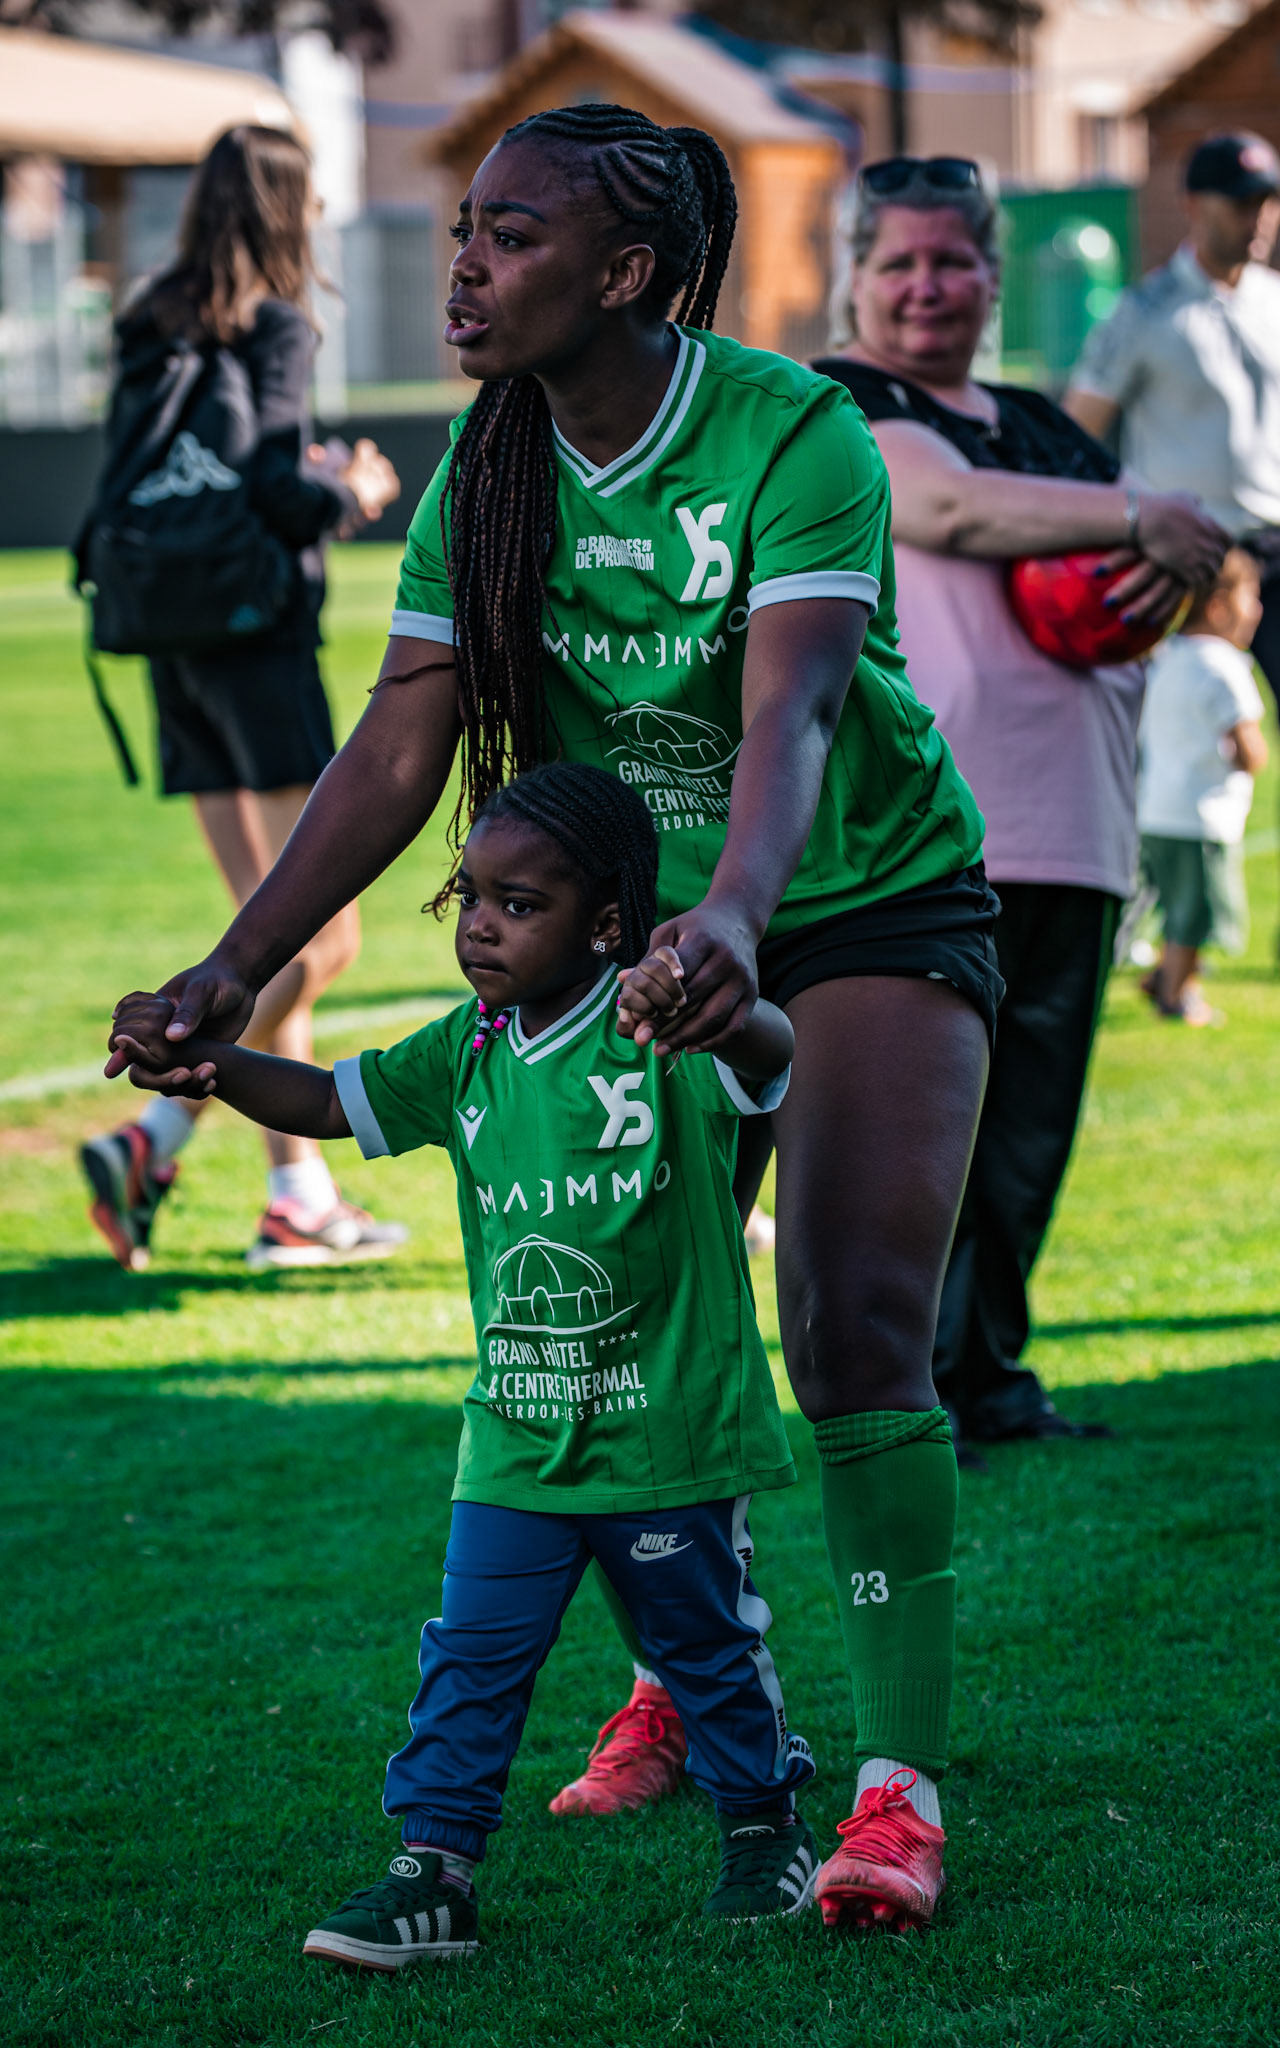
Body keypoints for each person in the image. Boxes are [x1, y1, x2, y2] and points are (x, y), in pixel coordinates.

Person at [108, 104, 1000, 1933]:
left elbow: (800, 716)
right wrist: (236, 963)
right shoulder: (489, 462)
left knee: (847, 1318)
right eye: (463, 233)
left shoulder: (791, 430)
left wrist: (739, 915)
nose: (465, 269)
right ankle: (698, 1684)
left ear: (627, 272)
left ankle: (897, 1794)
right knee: (645, 1313)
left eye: (512, 240)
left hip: (858, 896)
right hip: (656, 926)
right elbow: (401, 737)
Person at [110, 762, 829, 1961]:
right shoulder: (468, 1049)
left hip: (668, 1429)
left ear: (606, 922)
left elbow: (771, 1054)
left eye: (519, 903)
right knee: (470, 1657)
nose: (482, 925)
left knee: (706, 1646)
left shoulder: (664, 1031)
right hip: (516, 1436)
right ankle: (432, 1869)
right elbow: (333, 1102)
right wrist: (209, 1066)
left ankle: (765, 1822)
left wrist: (726, 997)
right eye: (470, 898)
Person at [809, 157, 1229, 1451]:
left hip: (1080, 827)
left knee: (1027, 1140)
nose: (928, 286)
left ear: (994, 276)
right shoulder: (839, 405)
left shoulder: (1046, 421)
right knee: (924, 1137)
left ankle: (988, 1378)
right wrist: (1148, 514)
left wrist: (1192, 571)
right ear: (857, 280)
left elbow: (1154, 579)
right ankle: (903, 1395)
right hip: (927, 839)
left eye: (952, 261)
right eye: (900, 263)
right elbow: (946, 506)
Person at [78, 124, 405, 1273]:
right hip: (256, 643)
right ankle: (154, 1125)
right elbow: (272, 483)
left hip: (169, 644)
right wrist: (351, 485)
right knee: (315, 939)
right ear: (290, 206)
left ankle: (293, 1195)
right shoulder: (277, 321)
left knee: (254, 937)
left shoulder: (151, 315)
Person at [1067, 131, 1280, 978]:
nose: (1259, 216)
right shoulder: (1143, 313)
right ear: (1194, 204)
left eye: (1270, 199)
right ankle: (1125, 924)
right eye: (1244, 200)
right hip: (1180, 559)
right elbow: (1079, 432)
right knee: (1149, 748)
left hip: (1279, 554)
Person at [1138, 548, 1268, 1025]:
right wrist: (1253, 758)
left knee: (1175, 905)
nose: (1256, 611)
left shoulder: (1165, 655)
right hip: (1204, 816)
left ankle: (1160, 975)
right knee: (1198, 915)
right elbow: (1249, 746)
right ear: (1218, 606)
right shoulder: (1226, 665)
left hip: (1156, 810)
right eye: (1251, 598)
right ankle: (1178, 994)